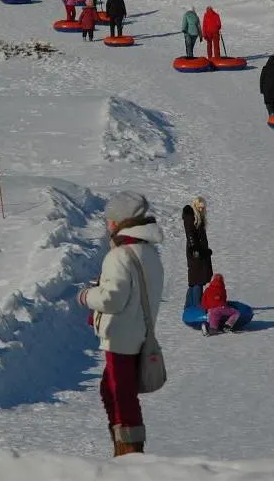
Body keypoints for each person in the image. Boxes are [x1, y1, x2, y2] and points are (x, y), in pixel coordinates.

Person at [77, 191, 164, 456]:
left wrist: (86, 296)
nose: (107, 226)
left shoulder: (119, 256)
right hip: (139, 333)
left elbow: (112, 299)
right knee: (113, 390)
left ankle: (129, 455)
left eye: (108, 221)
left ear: (116, 223)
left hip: (121, 337)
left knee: (119, 395)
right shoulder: (149, 252)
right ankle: (125, 446)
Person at [181, 197, 212, 309]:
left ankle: (189, 306)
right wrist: (195, 249)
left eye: (202, 207)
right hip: (195, 252)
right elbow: (190, 234)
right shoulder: (191, 216)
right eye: (199, 207)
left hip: (200, 252)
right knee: (198, 279)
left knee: (195, 280)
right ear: (195, 205)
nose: (201, 209)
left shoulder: (199, 218)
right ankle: (197, 306)